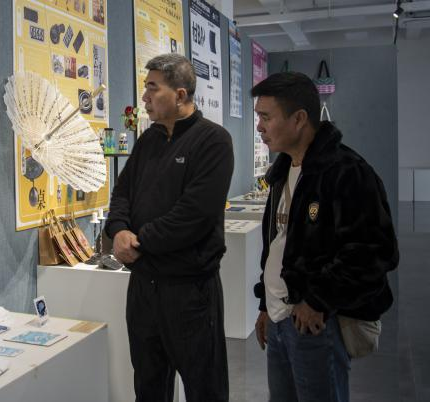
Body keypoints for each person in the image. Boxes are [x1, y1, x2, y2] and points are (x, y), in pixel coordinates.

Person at [251, 72, 399, 402]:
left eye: (266, 117)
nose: (259, 126)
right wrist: (265, 305)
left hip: (316, 324)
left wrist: (317, 300)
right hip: (279, 318)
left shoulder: (347, 171)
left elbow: (374, 251)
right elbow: (277, 246)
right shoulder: (282, 171)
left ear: (299, 119)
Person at [105, 53, 233, 402]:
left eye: (152, 88)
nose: (144, 96)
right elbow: (122, 193)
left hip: (190, 291)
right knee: (148, 386)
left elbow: (193, 215)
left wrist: (138, 241)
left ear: (180, 95)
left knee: (204, 388)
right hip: (144, 289)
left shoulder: (213, 141)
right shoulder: (149, 140)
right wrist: (118, 230)